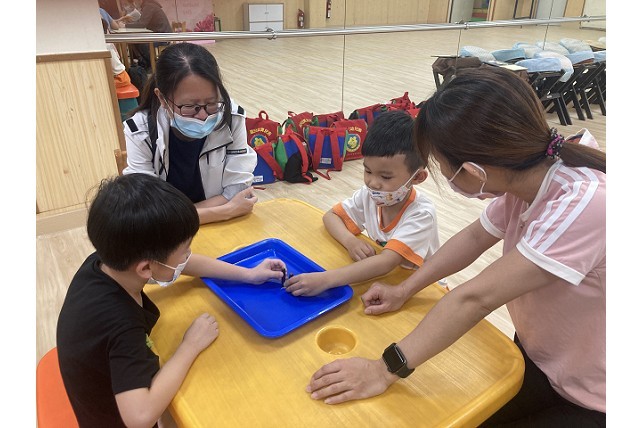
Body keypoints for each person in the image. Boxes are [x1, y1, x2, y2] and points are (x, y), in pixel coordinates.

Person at [305, 67, 606, 427]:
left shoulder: (584, 205)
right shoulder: (529, 176)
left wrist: (383, 370)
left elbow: (475, 298)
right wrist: (405, 289)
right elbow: (475, 237)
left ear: (474, 170)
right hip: (544, 355)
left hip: (596, 393)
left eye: (443, 166)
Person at [56, 173, 285, 427]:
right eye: (184, 250)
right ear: (145, 268)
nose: (188, 255)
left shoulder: (107, 261)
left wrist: (248, 274)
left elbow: (183, 264)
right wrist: (190, 346)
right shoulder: (120, 323)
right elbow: (139, 417)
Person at [283, 110, 440, 296]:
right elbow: (331, 217)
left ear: (417, 177)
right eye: (368, 171)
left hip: (423, 290)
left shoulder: (421, 214)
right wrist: (350, 241)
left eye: (385, 177)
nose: (373, 183)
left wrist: (326, 279)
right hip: (388, 280)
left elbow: (387, 262)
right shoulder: (370, 195)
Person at [123, 42, 258, 225]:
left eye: (212, 103)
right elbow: (147, 212)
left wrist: (175, 218)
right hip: (170, 235)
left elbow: (237, 190)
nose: (203, 116)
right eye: (189, 106)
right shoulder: (140, 130)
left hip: (215, 226)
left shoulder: (231, 117)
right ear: (162, 98)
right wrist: (226, 211)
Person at [119, 0, 172, 69]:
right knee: (135, 41)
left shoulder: (149, 6)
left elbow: (142, 24)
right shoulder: (149, 5)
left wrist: (125, 26)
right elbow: (142, 22)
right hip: (160, 34)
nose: (134, 3)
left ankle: (152, 64)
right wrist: (130, 24)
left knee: (140, 43)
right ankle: (145, 63)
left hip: (163, 36)